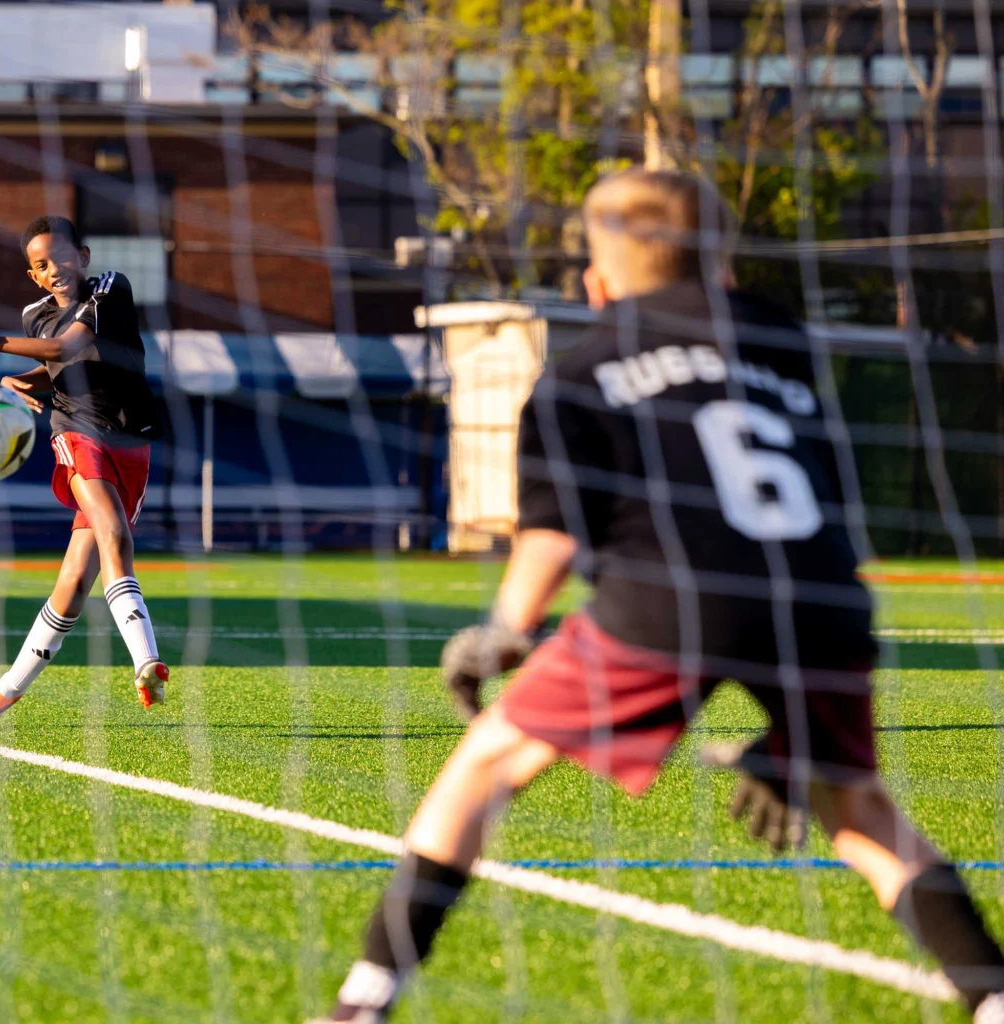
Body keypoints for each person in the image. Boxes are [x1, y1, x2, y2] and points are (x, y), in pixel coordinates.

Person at [313, 169, 1004, 1024]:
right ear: (721, 270)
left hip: (670, 600)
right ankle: (994, 998)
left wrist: (507, 629)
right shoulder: (782, 341)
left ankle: (363, 1000)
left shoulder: (580, 371)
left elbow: (554, 535)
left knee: (491, 760)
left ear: (595, 283)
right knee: (858, 806)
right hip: (824, 600)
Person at [0, 215, 168, 725]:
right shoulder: (35, 315)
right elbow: (58, 366)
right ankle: (146, 661)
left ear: (82, 256)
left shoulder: (111, 289)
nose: (54, 269)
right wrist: (23, 380)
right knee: (113, 532)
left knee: (72, 583)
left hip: (133, 440)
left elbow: (70, 348)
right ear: (33, 276)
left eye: (61, 257)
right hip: (76, 432)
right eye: (40, 265)